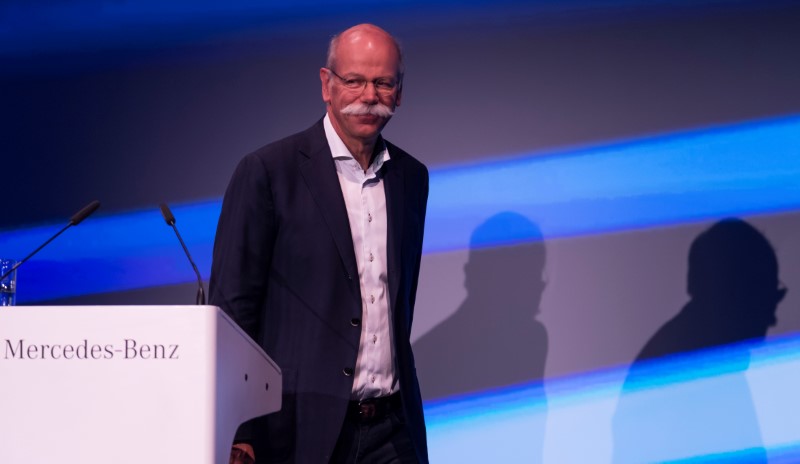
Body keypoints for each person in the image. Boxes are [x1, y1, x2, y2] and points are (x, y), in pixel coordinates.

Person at [209, 23, 429, 463]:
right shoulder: (268, 172)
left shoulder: (411, 177)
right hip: (297, 429)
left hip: (392, 430)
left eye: (383, 82)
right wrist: (240, 428)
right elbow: (233, 311)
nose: (369, 94)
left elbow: (397, 300)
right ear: (327, 85)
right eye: (354, 80)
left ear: (399, 91)